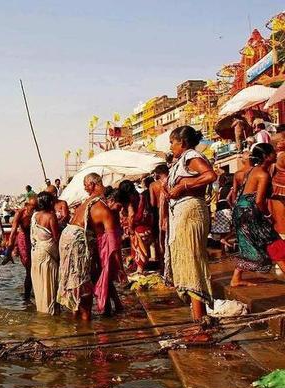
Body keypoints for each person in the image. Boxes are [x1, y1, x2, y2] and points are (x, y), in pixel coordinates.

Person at [163, 126, 217, 320]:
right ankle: (197, 317)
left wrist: (184, 185)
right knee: (187, 261)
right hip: (182, 213)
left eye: (172, 142)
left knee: (192, 261)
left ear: (182, 142)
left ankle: (200, 319)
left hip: (191, 212)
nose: (171, 146)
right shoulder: (181, 160)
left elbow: (210, 175)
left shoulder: (191, 156)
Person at [57, 173, 117, 321]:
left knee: (75, 281)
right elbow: (112, 242)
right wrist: (118, 266)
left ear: (92, 184)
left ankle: (78, 321)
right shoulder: (101, 208)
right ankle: (85, 326)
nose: (84, 188)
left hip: (68, 238)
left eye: (85, 185)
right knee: (82, 283)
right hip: (76, 242)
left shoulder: (88, 202)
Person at [230, 143, 285, 285]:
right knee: (272, 241)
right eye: (273, 152)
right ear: (266, 157)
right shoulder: (263, 174)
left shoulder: (252, 171)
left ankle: (236, 278)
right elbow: (259, 200)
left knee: (249, 243)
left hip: (240, 211)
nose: (276, 153)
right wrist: (268, 216)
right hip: (250, 212)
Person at [31, 191, 60, 314]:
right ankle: (51, 313)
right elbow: (56, 237)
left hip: (37, 253)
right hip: (48, 254)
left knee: (40, 286)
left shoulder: (35, 216)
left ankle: (42, 311)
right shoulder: (50, 216)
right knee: (50, 286)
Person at [116, 180, 153, 274]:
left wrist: (131, 228)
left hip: (138, 228)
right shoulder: (140, 196)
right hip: (145, 227)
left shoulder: (129, 200)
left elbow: (131, 215)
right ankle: (138, 267)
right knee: (138, 247)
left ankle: (139, 269)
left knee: (137, 246)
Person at [4, 193, 37, 298]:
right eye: (32, 207)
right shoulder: (20, 213)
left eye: (36, 208)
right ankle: (27, 296)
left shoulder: (37, 213)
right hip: (24, 238)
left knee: (35, 269)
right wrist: (8, 251)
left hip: (35, 238)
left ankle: (34, 292)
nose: (34, 210)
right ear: (27, 205)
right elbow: (13, 232)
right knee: (29, 268)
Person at [268, 128, 285, 239]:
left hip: (276, 190)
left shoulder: (274, 159)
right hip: (280, 191)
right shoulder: (282, 156)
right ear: (279, 144)